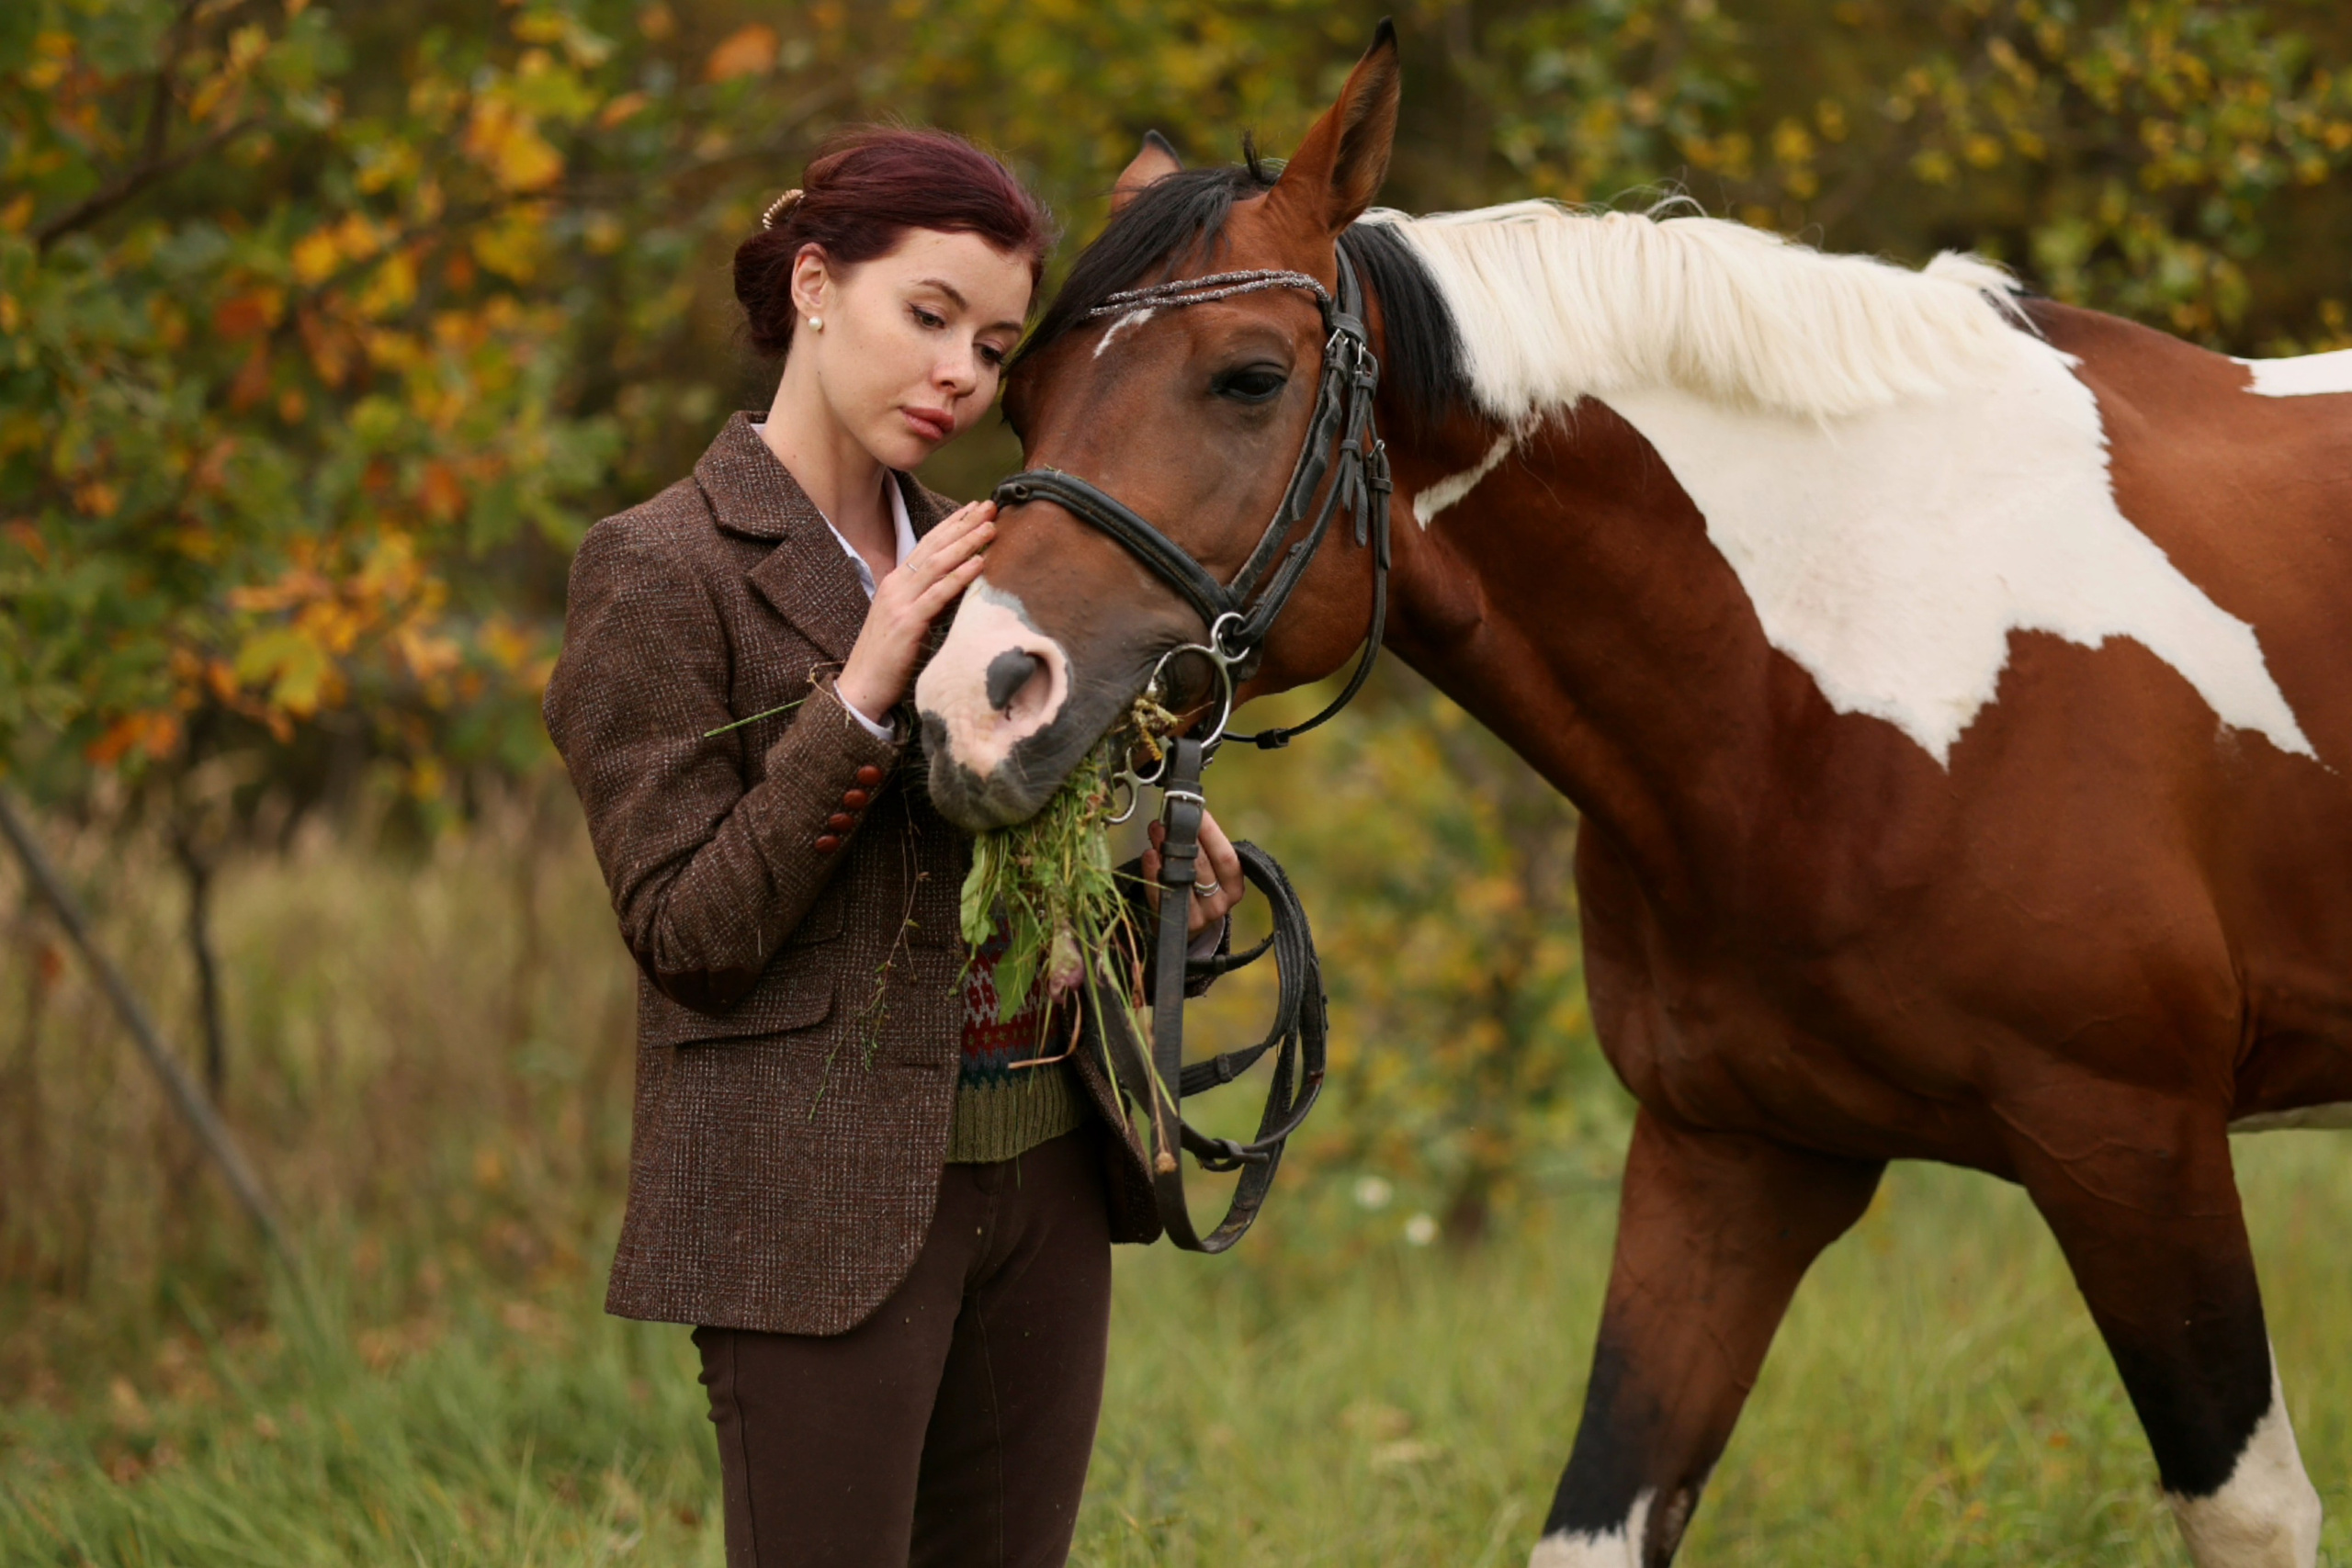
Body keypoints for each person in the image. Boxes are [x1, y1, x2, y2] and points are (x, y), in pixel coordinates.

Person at [541, 127, 1242, 1568]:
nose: (959, 375)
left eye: (991, 347)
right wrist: (863, 690)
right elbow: (688, 936)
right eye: (928, 316)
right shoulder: (660, 567)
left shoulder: (1007, 568)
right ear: (815, 284)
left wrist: (1157, 901)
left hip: (1046, 1175)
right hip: (813, 1204)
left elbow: (993, 902)